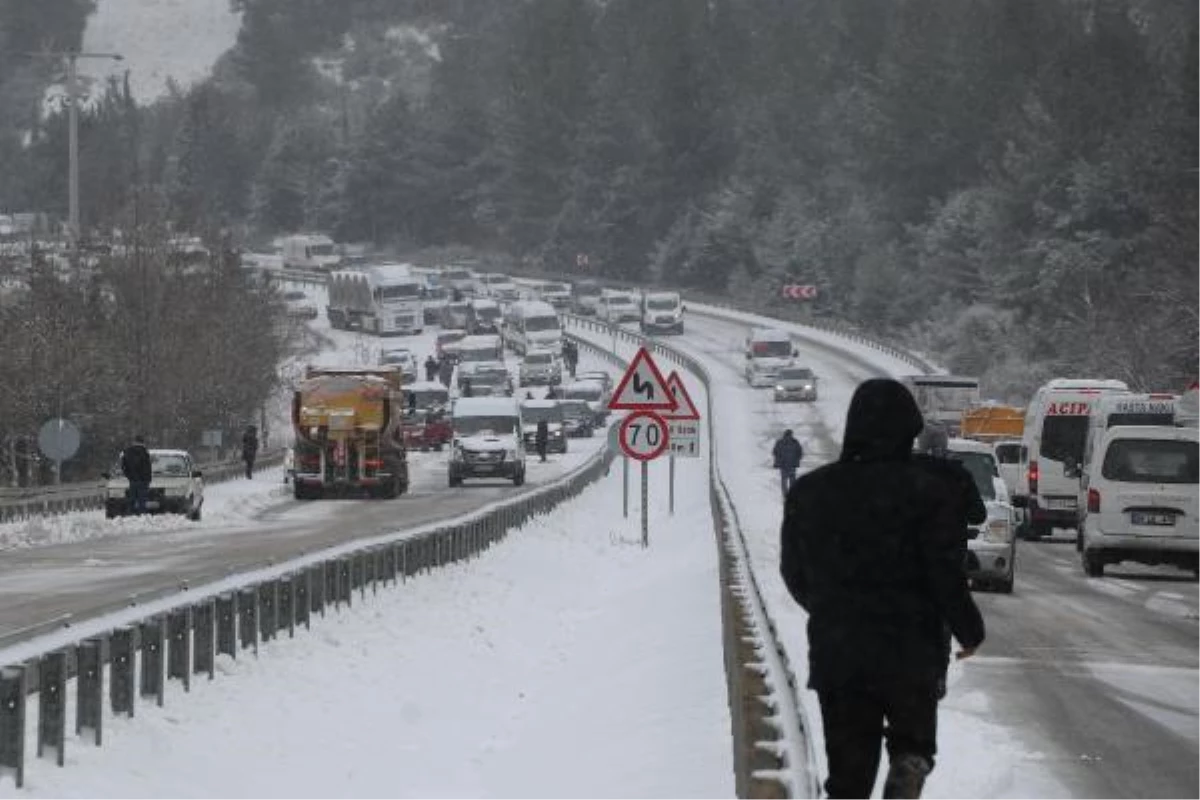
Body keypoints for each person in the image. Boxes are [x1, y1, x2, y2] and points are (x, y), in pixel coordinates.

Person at [779, 379, 985, 800]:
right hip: (911, 650)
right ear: (909, 429)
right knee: (912, 741)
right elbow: (945, 571)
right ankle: (908, 768)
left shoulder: (811, 492)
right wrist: (969, 629)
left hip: (840, 651)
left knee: (848, 775)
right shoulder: (931, 491)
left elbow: (794, 572)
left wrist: (831, 607)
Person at [913, 423, 986, 700]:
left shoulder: (904, 473)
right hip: (947, 562)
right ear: (945, 446)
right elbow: (978, 515)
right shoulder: (959, 476)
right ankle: (938, 676)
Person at [120, 435, 153, 514]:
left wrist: (129, 476)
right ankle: (141, 515)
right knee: (142, 500)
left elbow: (124, 466)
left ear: (134, 442)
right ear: (142, 442)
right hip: (144, 480)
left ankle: (131, 514)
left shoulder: (127, 451)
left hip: (133, 480)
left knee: (132, 499)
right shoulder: (145, 452)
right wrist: (148, 479)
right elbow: (148, 467)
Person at [772, 429, 804, 497]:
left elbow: (775, 452)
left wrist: (778, 462)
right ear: (791, 434)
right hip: (792, 465)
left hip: (783, 465)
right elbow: (800, 452)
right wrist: (797, 460)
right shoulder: (795, 442)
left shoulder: (779, 442)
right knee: (792, 481)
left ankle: (785, 495)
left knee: (784, 481)